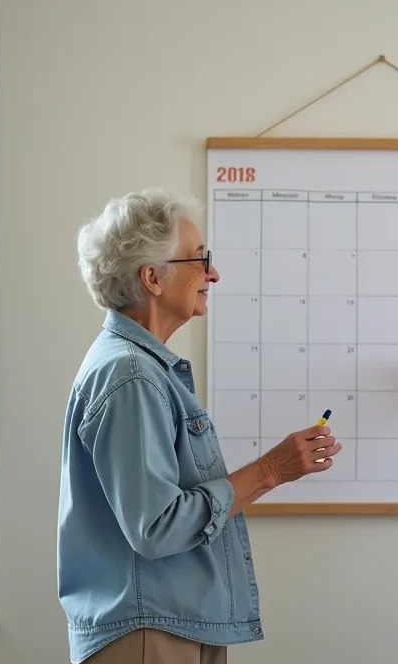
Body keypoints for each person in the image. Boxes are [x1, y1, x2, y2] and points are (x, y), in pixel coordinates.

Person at [57, 188, 342, 664]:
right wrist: (272, 470)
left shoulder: (140, 368)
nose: (214, 273)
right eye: (201, 258)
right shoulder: (130, 375)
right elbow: (157, 526)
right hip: (150, 632)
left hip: (167, 624)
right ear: (153, 277)